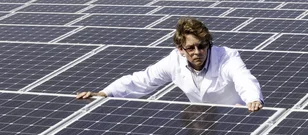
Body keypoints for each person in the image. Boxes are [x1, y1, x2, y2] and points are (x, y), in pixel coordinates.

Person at [76, 17, 264, 112]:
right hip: (202, 122)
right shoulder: (174, 61)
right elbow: (142, 80)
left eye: (202, 46)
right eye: (191, 48)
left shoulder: (226, 57)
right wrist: (104, 93)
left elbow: (243, 78)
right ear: (180, 48)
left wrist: (253, 99)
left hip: (238, 116)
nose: (197, 52)